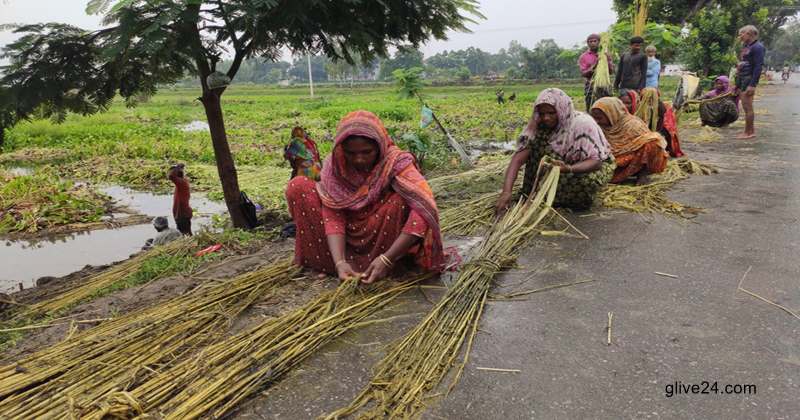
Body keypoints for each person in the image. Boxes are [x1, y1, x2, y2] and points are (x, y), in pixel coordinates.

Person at [285, 110, 444, 284]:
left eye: (367, 152)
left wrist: (387, 258)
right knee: (298, 186)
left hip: (381, 236)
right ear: (341, 148)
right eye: (351, 153)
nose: (359, 159)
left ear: (379, 146)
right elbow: (333, 214)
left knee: (404, 200)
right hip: (342, 239)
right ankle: (335, 266)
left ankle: (385, 265)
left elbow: (425, 207)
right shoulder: (335, 166)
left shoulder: (396, 163)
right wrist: (339, 261)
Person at [495, 88, 615, 213]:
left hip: (588, 166)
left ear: (562, 109)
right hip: (559, 167)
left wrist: (568, 168)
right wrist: (506, 192)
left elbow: (596, 162)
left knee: (585, 183)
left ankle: (567, 200)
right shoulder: (538, 125)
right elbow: (518, 159)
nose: (546, 118)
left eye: (551, 113)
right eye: (542, 114)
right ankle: (540, 192)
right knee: (536, 148)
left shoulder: (583, 125)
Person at [591, 97, 668, 185]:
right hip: (610, 160)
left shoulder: (633, 125)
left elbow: (649, 141)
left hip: (634, 158)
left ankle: (643, 173)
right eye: (594, 117)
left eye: (599, 118)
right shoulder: (595, 126)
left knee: (653, 143)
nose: (596, 121)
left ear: (612, 114)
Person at [623, 88, 685, 157]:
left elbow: (661, 127)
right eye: (647, 99)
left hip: (659, 134)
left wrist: (652, 135)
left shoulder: (661, 108)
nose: (649, 101)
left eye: (651, 99)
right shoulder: (641, 108)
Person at [735, 25, 765, 139]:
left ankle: (749, 132)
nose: (740, 37)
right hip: (743, 78)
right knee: (745, 105)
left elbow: (758, 66)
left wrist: (752, 85)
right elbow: (744, 62)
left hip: (749, 79)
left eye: (741, 34)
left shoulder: (758, 47)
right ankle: (749, 130)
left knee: (747, 106)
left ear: (749, 33)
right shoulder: (746, 46)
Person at [579, 33, 614, 111]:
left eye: (595, 41)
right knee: (592, 108)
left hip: (605, 85)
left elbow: (611, 71)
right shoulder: (584, 56)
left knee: (607, 109)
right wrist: (595, 64)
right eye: (590, 42)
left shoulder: (605, 54)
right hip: (591, 85)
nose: (592, 43)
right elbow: (583, 73)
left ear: (599, 42)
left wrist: (608, 60)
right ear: (587, 43)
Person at [168, 163, 192, 235]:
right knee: (186, 233)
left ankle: (189, 245)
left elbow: (171, 176)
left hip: (182, 214)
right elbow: (172, 176)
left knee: (184, 233)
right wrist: (177, 168)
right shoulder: (182, 183)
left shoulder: (181, 183)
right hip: (183, 213)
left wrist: (177, 167)